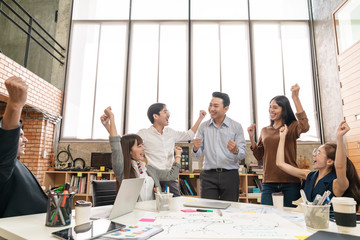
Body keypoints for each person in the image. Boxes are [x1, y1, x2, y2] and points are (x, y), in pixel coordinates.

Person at [100, 106, 183, 201]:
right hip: (134, 214)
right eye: (139, 146)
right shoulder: (123, 169)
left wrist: (178, 155)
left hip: (151, 213)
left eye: (142, 145)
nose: (143, 148)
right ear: (129, 151)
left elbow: (171, 176)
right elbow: (117, 145)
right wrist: (111, 118)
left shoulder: (149, 170)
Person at [248, 84, 309, 207]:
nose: (271, 110)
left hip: (290, 181)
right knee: (267, 216)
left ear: (284, 109)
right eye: (270, 107)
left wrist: (295, 98)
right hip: (269, 182)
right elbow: (259, 155)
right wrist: (251, 138)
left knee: (291, 217)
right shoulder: (265, 130)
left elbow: (305, 126)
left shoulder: (291, 127)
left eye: (275, 107)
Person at [276, 121, 360, 210]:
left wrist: (339, 137)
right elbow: (280, 164)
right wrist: (282, 138)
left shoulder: (338, 184)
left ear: (329, 161)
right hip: (307, 222)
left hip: (329, 223)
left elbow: (340, 166)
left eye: (318, 152)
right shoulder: (309, 176)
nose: (314, 154)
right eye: (315, 151)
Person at [0, 76, 47, 218]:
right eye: (19, 135)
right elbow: (5, 147)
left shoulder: (17, 163)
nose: (25, 140)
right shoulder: (4, 164)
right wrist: (15, 105)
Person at [137, 103, 206, 196]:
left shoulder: (171, 132)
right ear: (155, 116)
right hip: (152, 176)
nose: (168, 115)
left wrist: (200, 118)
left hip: (169, 176)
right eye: (165, 112)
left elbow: (190, 135)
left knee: (176, 201)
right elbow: (132, 144)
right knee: (153, 204)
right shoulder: (144, 133)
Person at [192, 92, 246, 201]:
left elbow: (242, 154)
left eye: (216, 106)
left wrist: (235, 150)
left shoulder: (236, 126)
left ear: (226, 108)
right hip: (208, 176)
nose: (211, 108)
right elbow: (197, 154)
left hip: (230, 175)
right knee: (209, 211)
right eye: (210, 105)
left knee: (230, 210)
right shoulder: (203, 126)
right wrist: (196, 148)